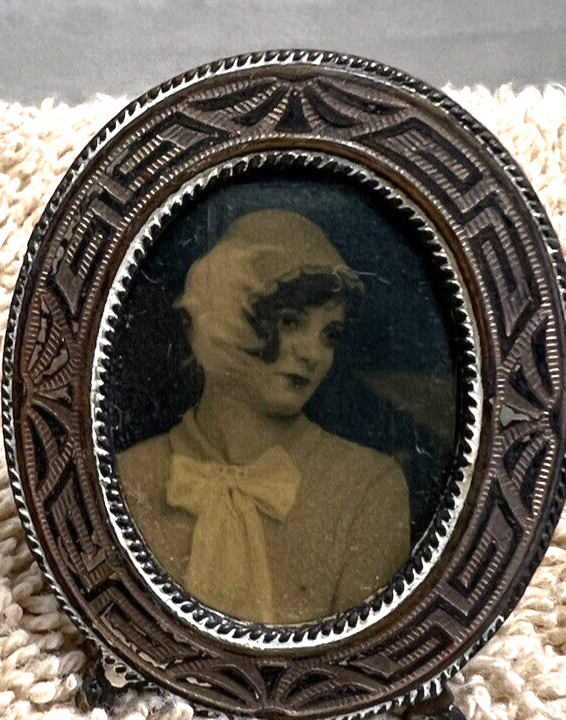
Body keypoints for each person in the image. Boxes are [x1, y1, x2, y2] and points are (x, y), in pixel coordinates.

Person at [117, 208, 410, 625]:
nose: (313, 353)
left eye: (330, 334)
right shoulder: (129, 477)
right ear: (223, 317)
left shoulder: (369, 487)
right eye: (290, 322)